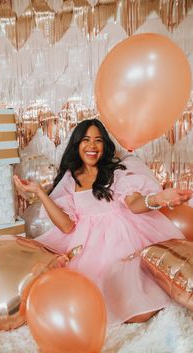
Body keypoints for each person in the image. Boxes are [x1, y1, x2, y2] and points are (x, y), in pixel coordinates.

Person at [13, 119, 192, 325]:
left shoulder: (116, 172)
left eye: (98, 140)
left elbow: (133, 203)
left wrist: (158, 199)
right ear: (77, 144)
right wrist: (39, 192)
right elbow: (66, 226)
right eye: (86, 140)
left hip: (121, 236)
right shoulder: (72, 178)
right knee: (81, 296)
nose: (92, 145)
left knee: (137, 301)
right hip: (86, 242)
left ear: (105, 145)